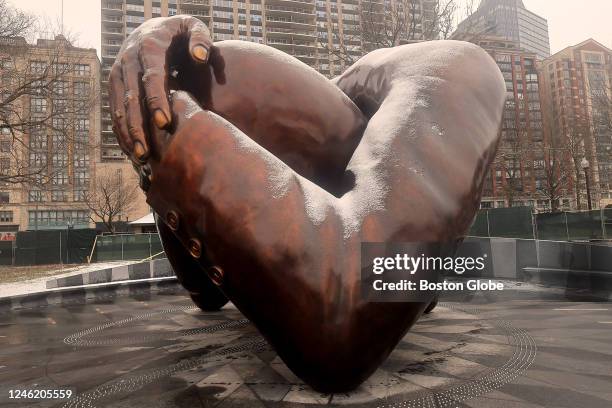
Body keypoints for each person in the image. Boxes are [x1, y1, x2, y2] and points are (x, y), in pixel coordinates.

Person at [109, 15, 506, 393]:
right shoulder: (351, 111)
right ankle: (416, 276)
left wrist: (163, 127)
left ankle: (416, 277)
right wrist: (150, 105)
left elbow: (342, 320)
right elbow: (204, 291)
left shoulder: (459, 71)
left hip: (398, 219)